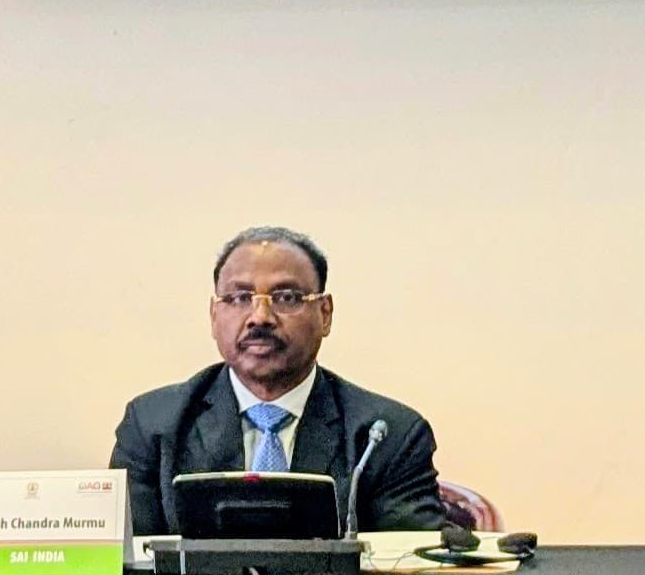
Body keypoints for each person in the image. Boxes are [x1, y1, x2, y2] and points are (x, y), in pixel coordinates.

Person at [108, 225, 447, 535]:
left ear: (325, 314)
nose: (260, 317)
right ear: (214, 316)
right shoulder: (152, 425)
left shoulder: (389, 435)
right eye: (240, 298)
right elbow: (128, 571)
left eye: (287, 298)